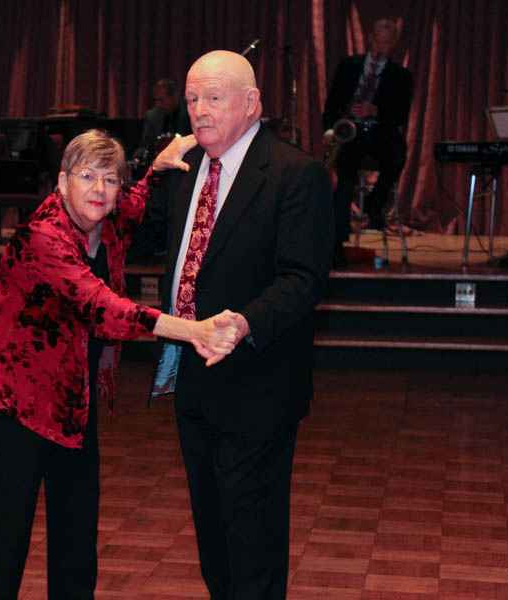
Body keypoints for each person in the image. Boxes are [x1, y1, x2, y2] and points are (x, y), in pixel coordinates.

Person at [0, 129, 241, 600]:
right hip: (14, 393)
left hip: (72, 390)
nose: (98, 189)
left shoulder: (108, 220)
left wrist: (155, 168)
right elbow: (103, 309)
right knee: (9, 523)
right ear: (61, 182)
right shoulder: (44, 234)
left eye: (110, 180)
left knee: (77, 521)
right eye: (86, 176)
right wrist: (192, 330)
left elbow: (133, 204)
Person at [136, 50, 333, 599]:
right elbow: (144, 237)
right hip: (191, 376)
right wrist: (150, 175)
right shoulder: (184, 170)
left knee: (253, 537)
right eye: (193, 99)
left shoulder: (297, 173)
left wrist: (244, 322)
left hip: (256, 379)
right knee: (214, 535)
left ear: (252, 104)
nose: (198, 111)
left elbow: (303, 279)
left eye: (213, 98)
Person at [323, 18, 413, 268]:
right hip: (350, 133)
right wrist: (330, 129)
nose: (380, 48)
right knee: (346, 179)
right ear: (370, 38)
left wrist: (375, 110)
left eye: (386, 44)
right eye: (377, 41)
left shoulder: (401, 76)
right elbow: (332, 103)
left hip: (381, 131)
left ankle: (376, 204)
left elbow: (401, 115)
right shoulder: (349, 66)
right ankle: (337, 244)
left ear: (393, 44)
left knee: (398, 155)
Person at [132, 78, 192, 166]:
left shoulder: (190, 113)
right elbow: (145, 145)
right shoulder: (152, 116)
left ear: (175, 96)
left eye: (161, 100)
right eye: (156, 100)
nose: (158, 105)